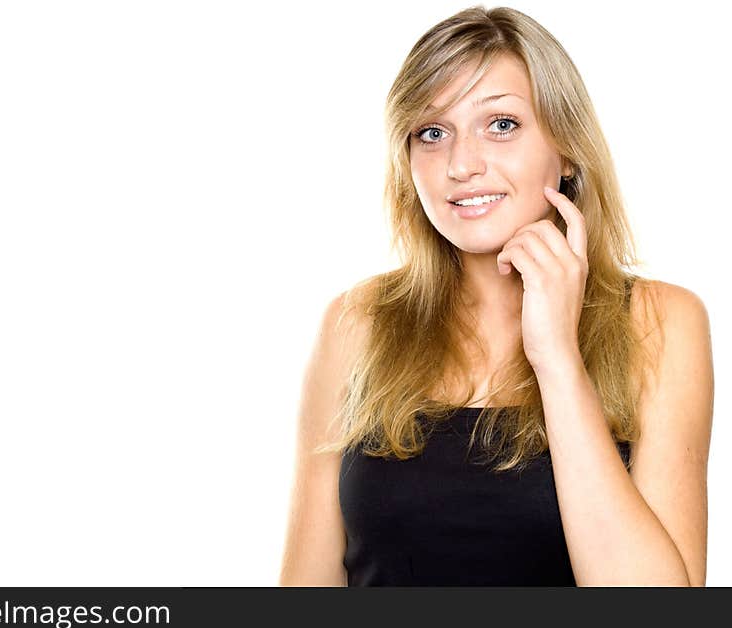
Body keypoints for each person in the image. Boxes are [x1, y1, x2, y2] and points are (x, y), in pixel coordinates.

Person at [278, 5, 713, 586]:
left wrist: (557, 358)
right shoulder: (357, 324)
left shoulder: (660, 323)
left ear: (565, 149)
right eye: (432, 133)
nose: (461, 164)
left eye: (501, 124)